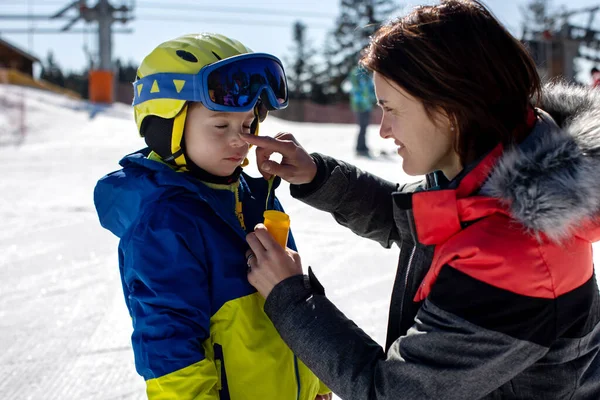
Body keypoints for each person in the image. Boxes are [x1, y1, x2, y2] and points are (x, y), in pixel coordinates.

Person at [240, 1, 600, 399]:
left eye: (392, 109)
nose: (383, 130)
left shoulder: (519, 255)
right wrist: (317, 176)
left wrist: (290, 295)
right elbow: (408, 218)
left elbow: (391, 392)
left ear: (448, 107)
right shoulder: (496, 169)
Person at [93, 33, 331, 400]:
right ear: (165, 125)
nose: (241, 140)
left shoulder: (254, 196)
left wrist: (315, 383)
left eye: (249, 125)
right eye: (221, 126)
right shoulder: (166, 224)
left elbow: (289, 301)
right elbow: (169, 352)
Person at [348, 63, 377, 157]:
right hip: (360, 105)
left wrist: (374, 99)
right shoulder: (356, 73)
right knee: (362, 127)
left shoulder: (367, 75)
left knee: (364, 127)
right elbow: (356, 89)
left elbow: (370, 90)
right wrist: (361, 100)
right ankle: (360, 148)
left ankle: (363, 146)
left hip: (367, 105)